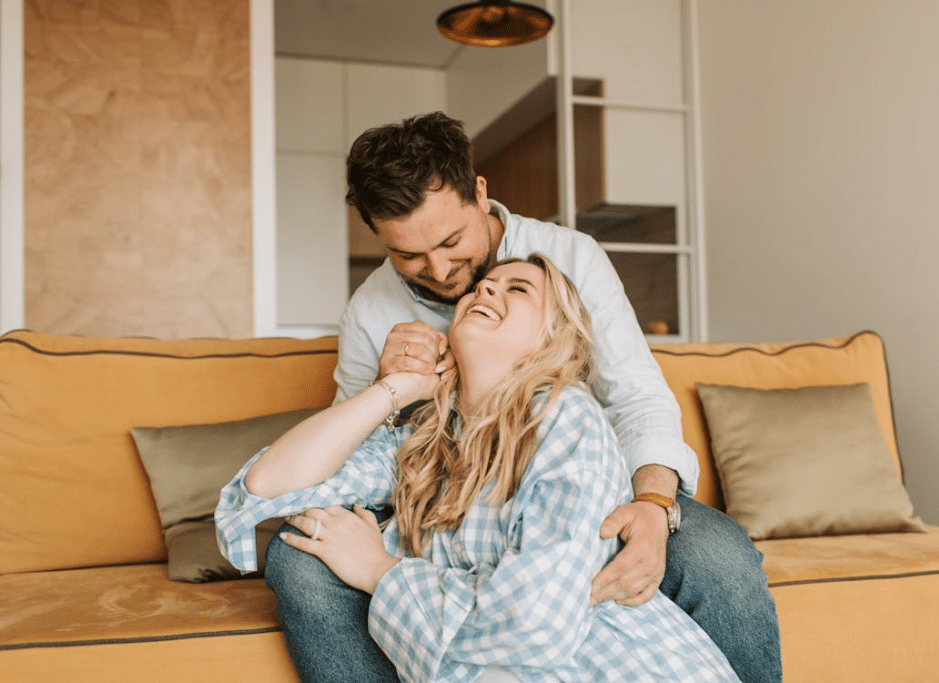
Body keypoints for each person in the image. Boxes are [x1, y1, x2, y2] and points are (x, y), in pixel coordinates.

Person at [266, 111, 781, 683]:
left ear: (479, 194)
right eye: (408, 257)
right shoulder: (370, 311)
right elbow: (340, 460)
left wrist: (654, 507)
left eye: (450, 240)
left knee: (717, 558)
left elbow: (636, 397)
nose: (437, 270)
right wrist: (388, 392)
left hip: (576, 495)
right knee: (297, 553)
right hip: (440, 496)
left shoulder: (570, 258)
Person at [217, 254, 740, 683]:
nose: (484, 292)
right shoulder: (420, 443)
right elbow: (269, 484)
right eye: (483, 286)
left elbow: (537, 623)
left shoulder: (565, 417)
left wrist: (379, 572)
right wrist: (396, 389)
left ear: (553, 339)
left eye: (517, 290)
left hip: (611, 669)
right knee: (295, 545)